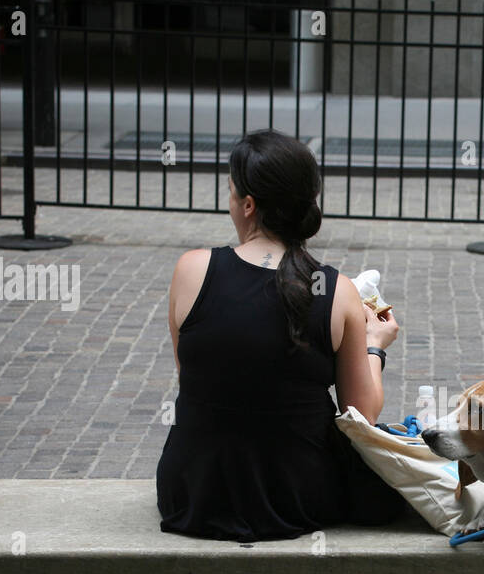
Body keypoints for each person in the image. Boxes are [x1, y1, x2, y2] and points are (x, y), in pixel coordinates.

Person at [156, 128, 406, 541]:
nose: (231, 203)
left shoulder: (192, 269)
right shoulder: (335, 290)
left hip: (192, 493)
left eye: (232, 193)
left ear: (249, 206)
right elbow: (362, 415)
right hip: (296, 497)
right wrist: (373, 347)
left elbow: (197, 377)